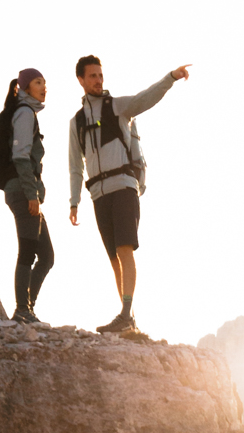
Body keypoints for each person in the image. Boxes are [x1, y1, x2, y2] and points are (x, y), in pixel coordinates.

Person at [69, 54, 188, 335]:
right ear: (81, 80)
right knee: (113, 257)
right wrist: (74, 201)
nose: (98, 80)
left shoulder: (118, 106)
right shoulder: (76, 122)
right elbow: (75, 165)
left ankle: (124, 313)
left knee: (124, 249)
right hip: (98, 193)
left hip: (123, 186)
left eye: (100, 75)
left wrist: (170, 77)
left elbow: (146, 98)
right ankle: (127, 315)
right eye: (92, 76)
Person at [0, 67, 53, 322]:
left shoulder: (27, 113)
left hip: (25, 191)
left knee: (47, 256)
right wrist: (32, 195)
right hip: (23, 192)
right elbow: (20, 157)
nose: (44, 87)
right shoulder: (24, 113)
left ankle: (26, 308)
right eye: (38, 82)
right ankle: (22, 310)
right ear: (25, 87)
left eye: (44, 82)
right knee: (29, 252)